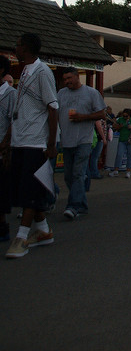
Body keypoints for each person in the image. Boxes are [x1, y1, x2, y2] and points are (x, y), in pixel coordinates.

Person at [6, 33, 58, 258]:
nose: (14, 48)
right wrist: (9, 140)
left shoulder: (42, 71)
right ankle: (44, 232)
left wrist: (51, 143)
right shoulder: (25, 71)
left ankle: (22, 237)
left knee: (29, 191)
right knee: (24, 189)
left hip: (36, 142)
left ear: (25, 48)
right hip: (21, 140)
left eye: (17, 45)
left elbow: (53, 108)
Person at [57, 67, 106, 220]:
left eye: (69, 78)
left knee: (78, 173)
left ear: (78, 77)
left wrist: (83, 117)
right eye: (65, 79)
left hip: (84, 140)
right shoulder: (61, 94)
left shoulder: (91, 93)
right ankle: (82, 204)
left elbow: (102, 113)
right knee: (68, 176)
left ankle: (73, 206)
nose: (67, 82)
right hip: (66, 140)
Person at [0, 56, 16, 242]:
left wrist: (5, 143)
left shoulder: (11, 94)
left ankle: (2, 226)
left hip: (3, 150)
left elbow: (15, 120)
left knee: (1, 190)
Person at [109, 108, 131, 178]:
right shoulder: (120, 119)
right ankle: (116, 170)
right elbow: (115, 127)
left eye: (126, 116)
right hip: (122, 140)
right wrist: (119, 126)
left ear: (130, 115)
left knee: (130, 155)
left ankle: (128, 171)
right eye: (124, 116)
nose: (125, 117)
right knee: (119, 154)